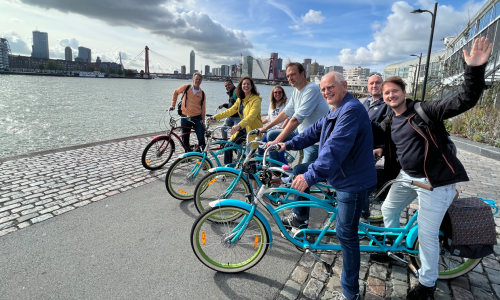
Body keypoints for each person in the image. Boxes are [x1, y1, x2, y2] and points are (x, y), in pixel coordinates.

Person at [370, 37, 492, 300]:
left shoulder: (425, 110)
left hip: (434, 182)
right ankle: (395, 247)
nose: (390, 95)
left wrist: (475, 70)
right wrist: (378, 149)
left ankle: (427, 284)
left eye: (394, 91)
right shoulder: (392, 119)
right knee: (389, 208)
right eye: (386, 93)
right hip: (407, 177)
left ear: (403, 92)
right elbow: (385, 140)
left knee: (426, 234)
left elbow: (465, 100)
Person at [276, 72, 377, 300]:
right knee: (300, 170)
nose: (326, 92)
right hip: (342, 175)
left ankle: (351, 294)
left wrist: (311, 176)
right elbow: (312, 133)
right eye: (323, 89)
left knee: (346, 235)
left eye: (330, 87)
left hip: (353, 182)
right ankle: (301, 217)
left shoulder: (350, 110)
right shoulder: (335, 111)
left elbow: (335, 147)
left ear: (344, 86)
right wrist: (286, 144)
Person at [260, 62, 329, 164]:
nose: (290, 78)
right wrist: (265, 128)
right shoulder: (296, 91)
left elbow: (296, 119)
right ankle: (278, 173)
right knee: (271, 135)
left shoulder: (312, 89)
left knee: (302, 174)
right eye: (288, 76)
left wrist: (277, 141)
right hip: (301, 131)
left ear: (302, 74)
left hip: (315, 140)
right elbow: (285, 112)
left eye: (293, 74)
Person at [211, 77, 263, 188]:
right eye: (244, 84)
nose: (246, 86)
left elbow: (251, 117)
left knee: (250, 158)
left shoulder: (256, 100)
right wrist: (215, 117)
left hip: (253, 132)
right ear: (240, 86)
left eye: (248, 84)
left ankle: (254, 187)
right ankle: (228, 171)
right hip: (244, 128)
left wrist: (238, 125)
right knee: (229, 145)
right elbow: (230, 111)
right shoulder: (240, 100)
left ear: (252, 86)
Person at [359, 74, 392, 224]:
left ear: (382, 85)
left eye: (377, 83)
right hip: (359, 146)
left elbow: (387, 129)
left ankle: (363, 216)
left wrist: (381, 148)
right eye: (371, 83)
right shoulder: (365, 102)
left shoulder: (386, 104)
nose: (374, 86)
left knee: (362, 182)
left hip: (372, 149)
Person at [169, 72, 206, 151]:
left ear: (201, 81)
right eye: (196, 79)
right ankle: (187, 156)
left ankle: (203, 156)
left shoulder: (202, 94)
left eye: (199, 79)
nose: (198, 81)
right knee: (185, 140)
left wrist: (203, 122)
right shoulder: (185, 87)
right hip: (185, 117)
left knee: (201, 138)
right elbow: (175, 93)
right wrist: (173, 105)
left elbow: (203, 109)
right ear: (193, 80)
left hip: (197, 118)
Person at [260, 85, 289, 164]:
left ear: (283, 93)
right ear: (273, 94)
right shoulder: (272, 104)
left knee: (279, 154)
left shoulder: (287, 102)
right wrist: (260, 123)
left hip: (281, 130)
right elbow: (269, 118)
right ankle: (261, 167)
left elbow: (288, 117)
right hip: (271, 130)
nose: (277, 94)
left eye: (280, 92)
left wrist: (282, 128)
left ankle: (284, 173)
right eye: (275, 92)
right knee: (261, 148)